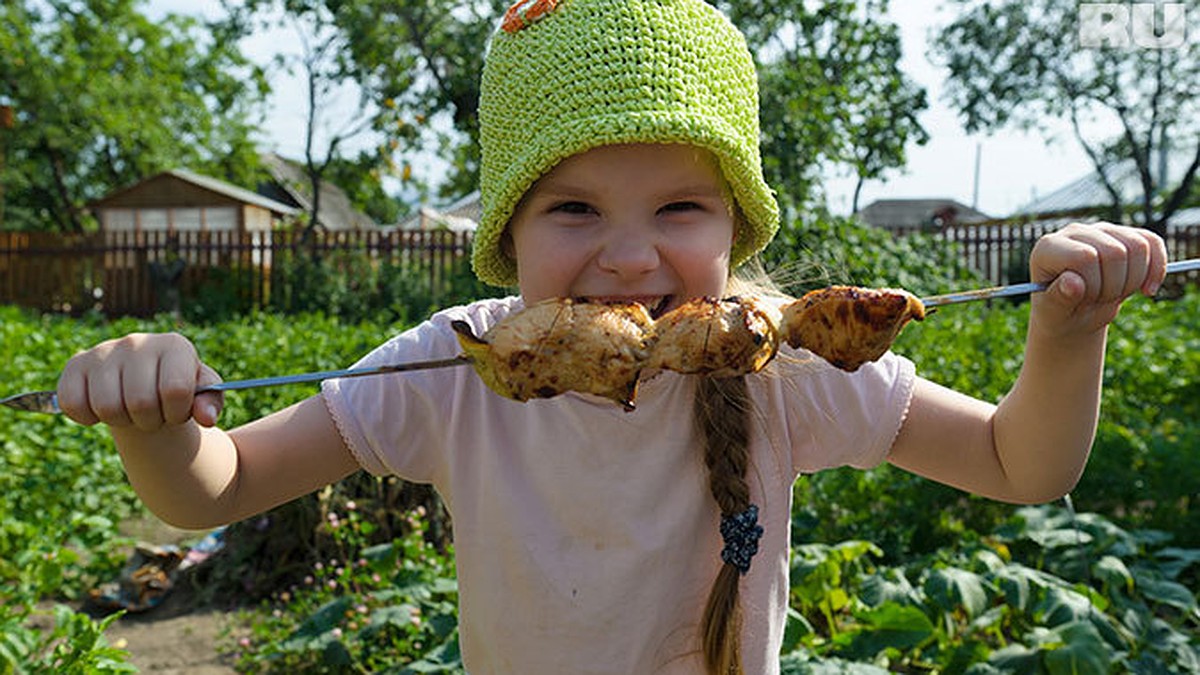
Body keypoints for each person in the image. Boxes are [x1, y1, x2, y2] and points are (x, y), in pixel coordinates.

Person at [56, 1, 1168, 673]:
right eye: (575, 210)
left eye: (680, 209)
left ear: (735, 226)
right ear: (509, 233)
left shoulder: (783, 372)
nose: (630, 257)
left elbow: (1021, 465)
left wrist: (1072, 332)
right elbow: (217, 487)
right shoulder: (457, 367)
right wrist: (155, 412)